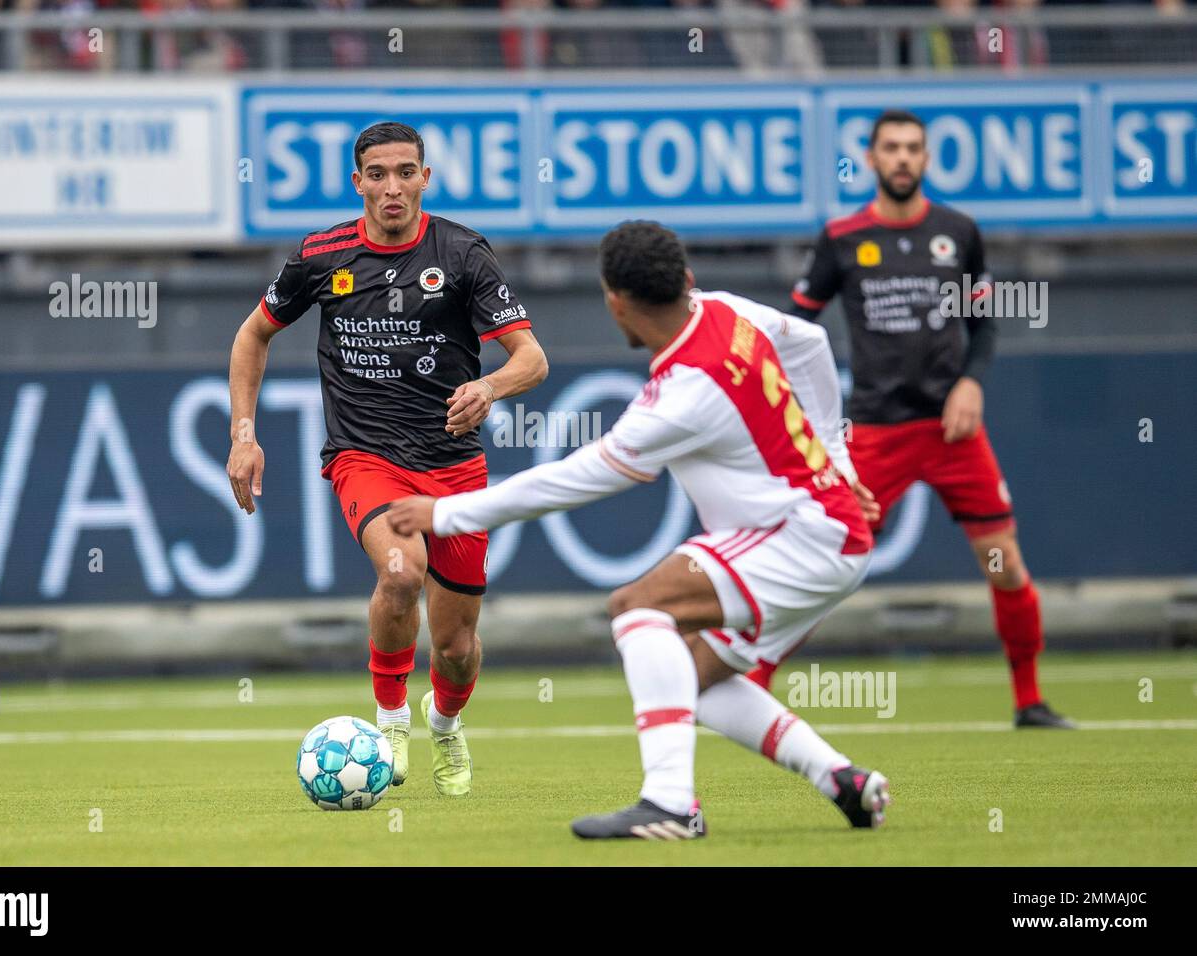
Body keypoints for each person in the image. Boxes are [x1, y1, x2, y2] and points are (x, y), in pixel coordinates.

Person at [388, 221, 890, 839]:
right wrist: (838, 463)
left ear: (614, 301)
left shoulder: (684, 391)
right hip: (824, 530)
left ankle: (671, 805)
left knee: (637, 609)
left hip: (800, 538)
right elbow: (812, 341)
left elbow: (575, 478)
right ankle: (842, 780)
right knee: (693, 680)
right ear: (686, 280)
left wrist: (446, 514)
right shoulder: (727, 311)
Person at [226, 121, 549, 796]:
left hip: (454, 467)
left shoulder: (462, 253)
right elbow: (253, 336)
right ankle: (391, 720)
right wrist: (243, 435)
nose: (393, 187)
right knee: (401, 574)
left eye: (407, 172)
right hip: (365, 455)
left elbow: (532, 359)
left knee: (457, 649)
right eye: (378, 174)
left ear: (425, 178)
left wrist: (488, 386)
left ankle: (446, 723)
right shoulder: (322, 255)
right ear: (358, 183)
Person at [781, 108, 1073, 728]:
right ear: (870, 158)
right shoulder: (840, 238)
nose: (904, 158)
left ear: (928, 158)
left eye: (914, 148)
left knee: (1004, 562)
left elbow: (984, 325)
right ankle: (750, 680)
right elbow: (794, 327)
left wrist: (971, 381)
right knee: (820, 564)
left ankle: (1029, 699)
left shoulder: (958, 232)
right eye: (892, 148)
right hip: (875, 433)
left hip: (951, 433)